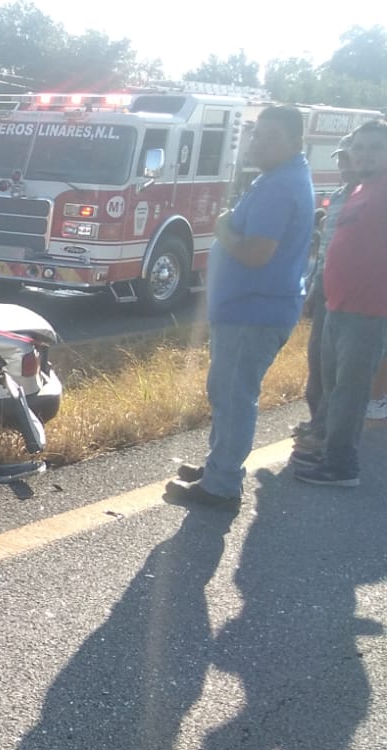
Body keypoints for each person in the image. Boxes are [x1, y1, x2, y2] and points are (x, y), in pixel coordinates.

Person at [167, 105, 314, 510]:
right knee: (228, 393)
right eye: (256, 134)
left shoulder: (280, 185)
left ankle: (222, 484)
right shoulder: (278, 178)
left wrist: (222, 230)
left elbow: (255, 254)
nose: (257, 143)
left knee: (234, 396)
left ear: (294, 142)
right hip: (250, 310)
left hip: (254, 311)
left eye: (270, 137)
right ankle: (220, 467)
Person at [291, 119, 387, 487]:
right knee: (332, 386)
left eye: (375, 148)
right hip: (338, 305)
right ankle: (329, 449)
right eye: (359, 147)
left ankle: (341, 467)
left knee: (350, 391)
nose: (364, 154)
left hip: (368, 309)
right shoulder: (361, 189)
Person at [293, 137, 359, 444]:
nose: (343, 167)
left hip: (351, 293)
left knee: (339, 366)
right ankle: (316, 419)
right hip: (325, 287)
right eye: (340, 160)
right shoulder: (336, 195)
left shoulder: (367, 199)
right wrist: (313, 288)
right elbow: (326, 251)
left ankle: (327, 431)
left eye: (349, 160)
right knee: (317, 355)